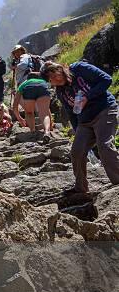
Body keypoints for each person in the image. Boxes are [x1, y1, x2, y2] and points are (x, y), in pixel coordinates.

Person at [41, 61, 119, 193]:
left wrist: (87, 97)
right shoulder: (61, 92)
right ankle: (81, 188)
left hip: (104, 110)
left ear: (59, 68)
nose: (55, 79)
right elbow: (72, 114)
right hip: (85, 120)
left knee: (104, 146)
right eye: (50, 79)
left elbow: (106, 80)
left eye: (54, 74)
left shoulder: (79, 69)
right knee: (77, 151)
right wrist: (78, 134)